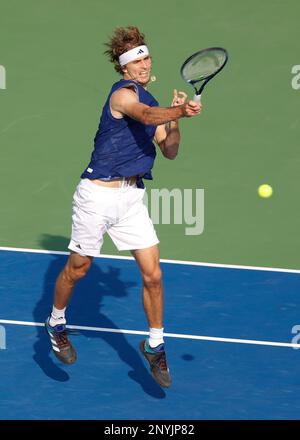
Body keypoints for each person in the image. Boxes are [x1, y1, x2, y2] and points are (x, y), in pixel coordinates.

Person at [45, 26, 202, 388]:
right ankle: (55, 321)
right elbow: (146, 117)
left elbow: (171, 150)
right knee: (79, 269)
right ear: (124, 69)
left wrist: (176, 120)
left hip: (131, 199)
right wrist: (175, 109)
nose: (143, 64)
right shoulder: (123, 96)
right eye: (136, 60)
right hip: (96, 196)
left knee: (153, 274)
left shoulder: (152, 103)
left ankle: (155, 344)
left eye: (146, 57)